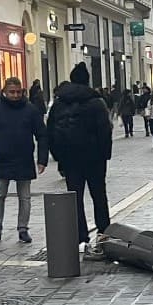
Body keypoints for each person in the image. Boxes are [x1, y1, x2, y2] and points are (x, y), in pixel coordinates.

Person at [47, 63, 113, 255]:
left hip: (69, 158)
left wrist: (58, 156)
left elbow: (50, 130)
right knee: (99, 195)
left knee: (74, 198)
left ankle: (80, 237)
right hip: (94, 158)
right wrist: (104, 154)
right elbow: (104, 131)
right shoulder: (95, 102)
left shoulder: (59, 103)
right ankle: (103, 233)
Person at [0, 77, 48, 244]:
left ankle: (23, 229)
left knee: (24, 197)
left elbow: (42, 135)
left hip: (24, 158)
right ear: (4, 92)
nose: (15, 95)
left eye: (18, 92)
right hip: (2, 158)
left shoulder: (31, 110)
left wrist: (42, 159)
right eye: (12, 92)